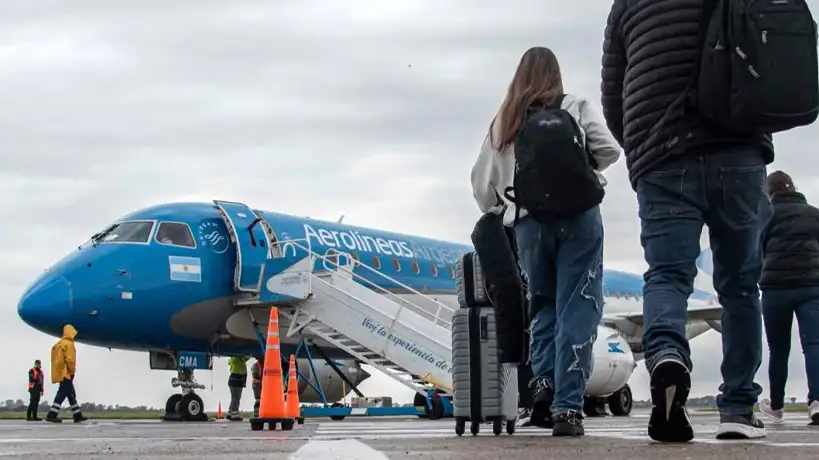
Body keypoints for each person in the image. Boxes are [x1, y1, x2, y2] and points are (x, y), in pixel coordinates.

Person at [601, 0, 774, 442]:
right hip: (737, 149)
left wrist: (642, 149)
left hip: (662, 155)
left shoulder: (628, 5)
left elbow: (613, 93)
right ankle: (738, 407)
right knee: (738, 287)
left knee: (666, 276)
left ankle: (665, 359)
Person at [471, 46, 621, 436]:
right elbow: (610, 150)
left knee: (542, 307)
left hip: (528, 223)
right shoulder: (574, 105)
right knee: (579, 307)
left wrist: (508, 202)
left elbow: (482, 187)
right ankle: (567, 409)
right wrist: (579, 171)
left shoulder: (505, 120)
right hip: (580, 217)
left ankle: (540, 390)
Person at [756, 171, 819, 425]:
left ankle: (777, 406)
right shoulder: (815, 214)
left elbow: (754, 252)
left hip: (775, 290)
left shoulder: (765, 216)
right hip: (812, 288)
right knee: (814, 345)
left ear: (769, 192)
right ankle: (817, 402)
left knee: (778, 350)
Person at [45, 324, 87, 423]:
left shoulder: (59, 343)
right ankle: (52, 414)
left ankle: (77, 415)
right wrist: (72, 371)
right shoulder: (69, 344)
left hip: (60, 372)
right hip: (67, 373)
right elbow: (70, 360)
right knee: (62, 393)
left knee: (70, 394)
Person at [227, 356, 250, 421]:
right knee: (236, 398)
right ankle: (234, 415)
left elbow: (247, 358)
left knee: (234, 397)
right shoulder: (237, 359)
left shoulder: (238, 359)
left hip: (235, 380)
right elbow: (246, 357)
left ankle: (230, 412)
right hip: (236, 380)